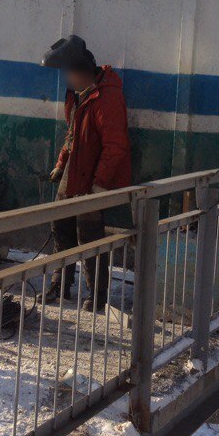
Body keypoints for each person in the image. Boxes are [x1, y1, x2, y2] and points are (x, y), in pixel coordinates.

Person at [40, 35, 131, 311]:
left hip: (94, 178)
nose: (68, 79)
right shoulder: (79, 96)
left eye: (70, 73)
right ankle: (61, 282)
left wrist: (100, 185)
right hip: (73, 170)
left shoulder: (108, 97)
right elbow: (72, 135)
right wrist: (60, 164)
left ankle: (97, 294)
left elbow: (116, 146)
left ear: (82, 71)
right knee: (61, 226)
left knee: (89, 235)